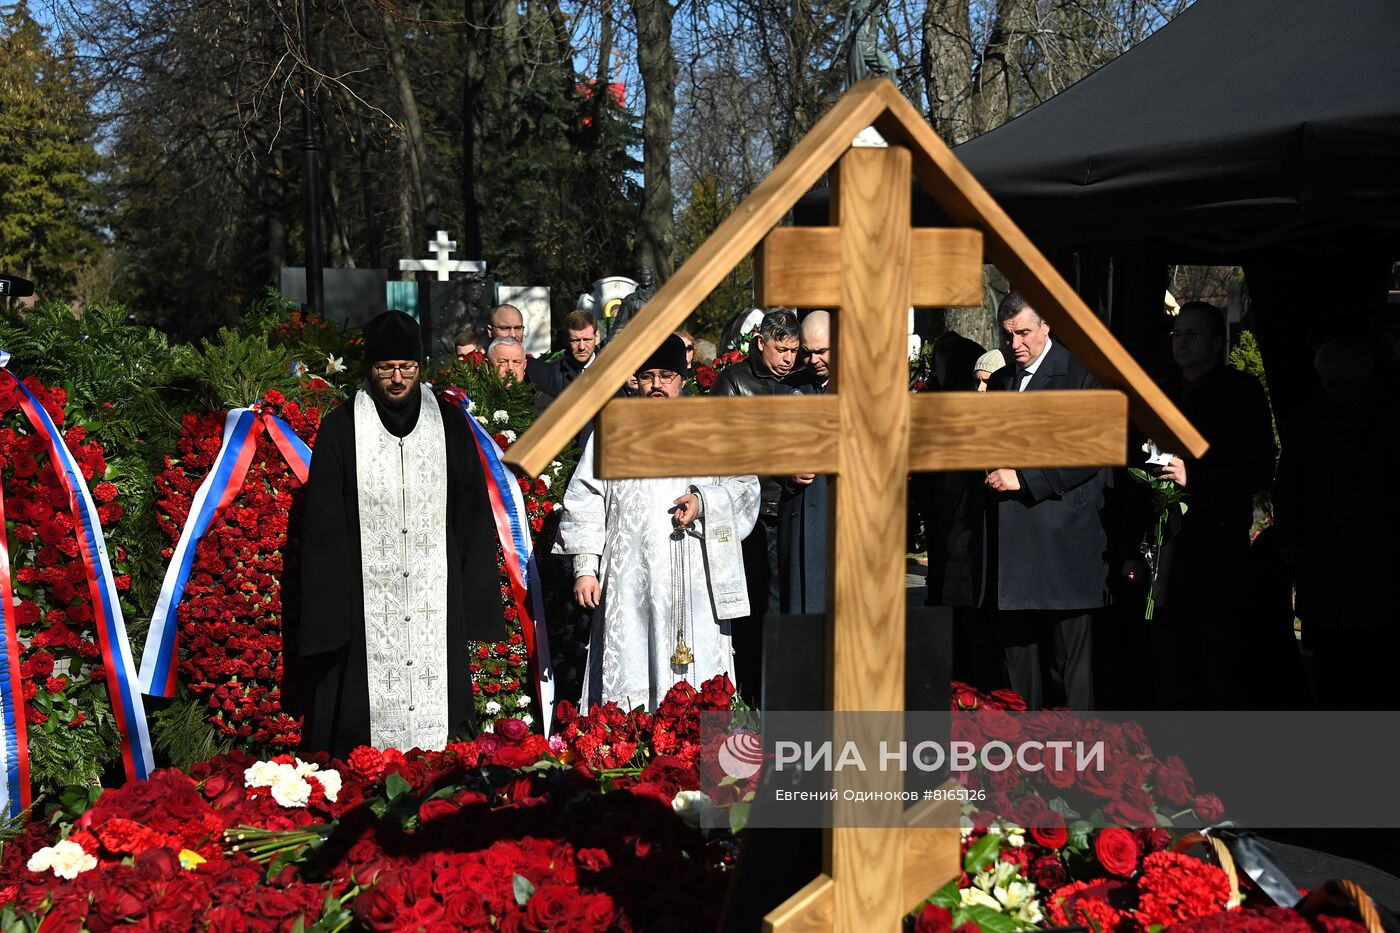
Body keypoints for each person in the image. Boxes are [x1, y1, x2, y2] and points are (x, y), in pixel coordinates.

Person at [296, 310, 504, 756]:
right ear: (370, 370)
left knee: (445, 732)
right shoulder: (341, 427)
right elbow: (323, 526)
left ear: (419, 367)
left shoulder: (448, 424)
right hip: (363, 603)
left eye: (405, 368)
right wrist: (330, 611)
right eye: (385, 368)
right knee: (359, 735)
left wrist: (475, 600)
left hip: (435, 601)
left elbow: (471, 514)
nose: (395, 379)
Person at [554, 335, 760, 711]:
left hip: (693, 582)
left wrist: (703, 502)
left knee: (696, 687)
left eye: (666, 376)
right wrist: (585, 567)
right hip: (629, 582)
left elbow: (745, 488)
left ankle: (695, 747)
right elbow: (585, 498)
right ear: (636, 381)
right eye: (648, 376)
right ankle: (625, 753)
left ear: (682, 379)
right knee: (630, 680)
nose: (657, 385)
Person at [1122, 301, 1275, 709]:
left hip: (1216, 551)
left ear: (1216, 342)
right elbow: (1138, 470)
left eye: (1193, 335)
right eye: (1177, 334)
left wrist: (1199, 478)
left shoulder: (1240, 392)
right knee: (1169, 664)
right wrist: (1134, 550)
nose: (1182, 342)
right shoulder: (1163, 392)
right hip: (1163, 550)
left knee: (1218, 665)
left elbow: (1259, 469)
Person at [983, 292, 1107, 711]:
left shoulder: (1078, 373)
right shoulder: (1001, 381)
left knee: (1068, 664)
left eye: (1023, 333)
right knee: (1017, 664)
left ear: (1046, 326)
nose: (1015, 344)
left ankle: (1077, 760)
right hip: (1012, 542)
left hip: (1060, 541)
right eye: (1007, 335)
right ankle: (1022, 759)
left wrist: (1026, 478)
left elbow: (1090, 451)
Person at [711, 309, 802, 702]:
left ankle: (783, 690)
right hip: (752, 515)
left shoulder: (800, 382)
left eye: (794, 351)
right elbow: (722, 449)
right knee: (753, 608)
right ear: (760, 342)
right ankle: (750, 694)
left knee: (789, 606)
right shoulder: (733, 383)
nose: (788, 359)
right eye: (781, 350)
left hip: (795, 510)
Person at [778, 310, 831, 614]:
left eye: (822, 351)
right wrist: (788, 473)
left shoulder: (867, 386)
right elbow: (770, 449)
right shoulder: (788, 389)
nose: (813, 360)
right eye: (807, 353)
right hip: (799, 518)